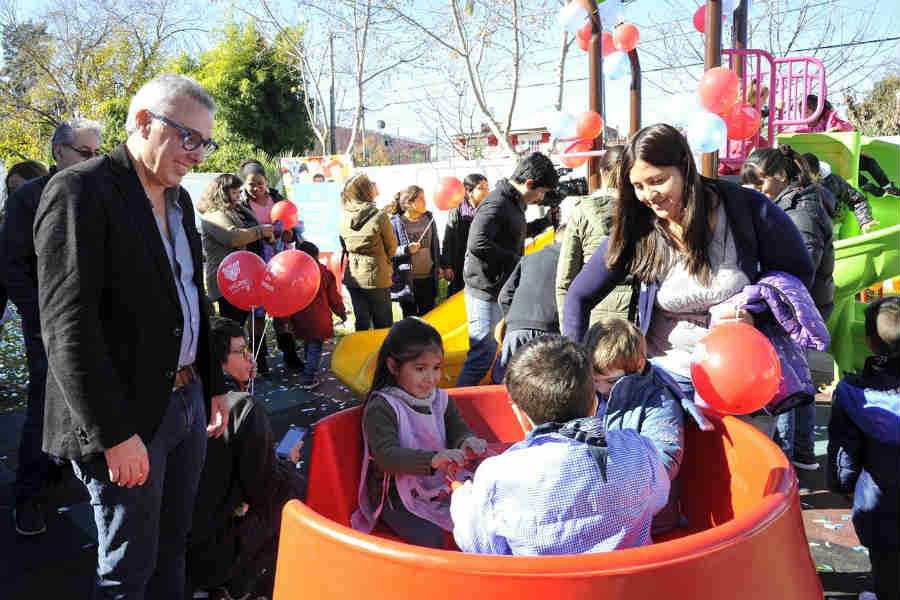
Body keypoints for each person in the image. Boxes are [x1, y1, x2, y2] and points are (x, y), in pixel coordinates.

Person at [33, 73, 228, 599]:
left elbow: (192, 299)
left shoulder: (182, 200)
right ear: (143, 122)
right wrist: (113, 434)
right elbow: (67, 327)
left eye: (206, 143)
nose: (198, 155)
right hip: (125, 418)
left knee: (173, 547)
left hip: (186, 403)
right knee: (127, 568)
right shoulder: (79, 190)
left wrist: (211, 387)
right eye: (189, 138)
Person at [563, 124, 814, 437]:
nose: (647, 195)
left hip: (739, 375)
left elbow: (799, 274)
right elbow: (578, 295)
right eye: (638, 185)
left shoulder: (748, 210)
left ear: (684, 166)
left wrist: (756, 310)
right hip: (666, 377)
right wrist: (577, 370)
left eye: (657, 180)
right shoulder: (638, 225)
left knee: (741, 470)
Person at [451, 334, 670, 555]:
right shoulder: (637, 448)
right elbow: (658, 500)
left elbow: (480, 546)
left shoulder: (496, 475)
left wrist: (463, 498)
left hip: (541, 589)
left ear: (521, 414)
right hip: (631, 586)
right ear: (594, 400)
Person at [2, 118, 103, 536]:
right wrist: (41, 318)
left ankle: (72, 472)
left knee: (93, 401)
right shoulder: (29, 199)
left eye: (99, 154)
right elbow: (11, 266)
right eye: (85, 153)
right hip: (49, 325)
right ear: (58, 152)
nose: (94, 162)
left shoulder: (101, 192)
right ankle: (27, 496)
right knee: (44, 406)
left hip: (95, 320)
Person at [187, 316, 305, 600]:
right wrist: (287, 462)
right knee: (292, 494)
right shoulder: (242, 409)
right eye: (241, 351)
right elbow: (266, 489)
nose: (250, 358)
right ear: (219, 362)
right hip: (214, 551)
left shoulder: (179, 402)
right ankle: (242, 587)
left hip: (171, 549)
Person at [351, 317, 487, 548]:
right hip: (396, 497)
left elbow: (457, 427)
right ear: (393, 367)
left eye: (436, 368)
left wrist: (467, 440)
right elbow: (387, 457)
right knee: (432, 539)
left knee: (483, 510)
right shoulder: (383, 407)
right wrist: (433, 459)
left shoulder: (440, 399)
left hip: (436, 482)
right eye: (420, 369)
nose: (431, 378)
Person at [741, 146, 834, 467]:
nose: (754, 191)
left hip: (797, 310)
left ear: (780, 176)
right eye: (749, 185)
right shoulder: (788, 205)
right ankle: (799, 453)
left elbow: (800, 273)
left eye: (759, 182)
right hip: (796, 307)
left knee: (792, 380)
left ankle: (793, 455)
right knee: (798, 376)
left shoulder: (801, 212)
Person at [456, 153, 558, 387]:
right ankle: (456, 408)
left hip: (499, 288)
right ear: (529, 184)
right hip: (485, 289)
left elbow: (512, 235)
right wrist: (517, 261)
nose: (541, 197)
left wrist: (544, 224)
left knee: (496, 351)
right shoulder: (497, 202)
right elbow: (477, 243)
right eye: (541, 192)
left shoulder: (513, 203)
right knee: (482, 354)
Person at [582, 317, 685, 534]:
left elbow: (664, 461)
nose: (599, 388)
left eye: (610, 381)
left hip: (647, 521)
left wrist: (608, 485)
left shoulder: (660, 402)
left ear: (638, 366)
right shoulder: (593, 393)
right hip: (606, 514)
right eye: (594, 380)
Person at [827, 296, 899, 600]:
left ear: (869, 341)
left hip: (879, 497)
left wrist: (842, 483)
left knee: (885, 561)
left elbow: (845, 449)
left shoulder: (852, 393)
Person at [555, 145, 634, 327]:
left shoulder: (582, 211)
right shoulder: (646, 211)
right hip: (638, 316)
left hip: (593, 318)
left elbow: (565, 278)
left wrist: (568, 328)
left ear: (602, 172)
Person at [237, 160, 299, 374]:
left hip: (281, 261)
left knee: (283, 310)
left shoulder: (278, 198)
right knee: (258, 314)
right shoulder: (241, 204)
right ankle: (259, 359)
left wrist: (291, 233)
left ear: (266, 181)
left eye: (260, 183)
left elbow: (293, 223)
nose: (256, 188)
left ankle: (290, 355)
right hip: (256, 263)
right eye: (251, 184)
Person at [198, 173, 275, 325]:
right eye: (234, 193)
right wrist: (261, 231)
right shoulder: (213, 215)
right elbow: (233, 237)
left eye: (239, 193)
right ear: (222, 193)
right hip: (227, 282)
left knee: (241, 326)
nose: (238, 197)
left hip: (240, 279)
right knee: (232, 327)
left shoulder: (234, 210)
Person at [491, 226, 564, 384]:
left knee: (502, 383)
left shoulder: (528, 258)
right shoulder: (571, 261)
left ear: (553, 240)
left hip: (515, 329)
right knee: (543, 386)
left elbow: (504, 296)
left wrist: (512, 319)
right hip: (551, 329)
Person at [788, 94, 898, 197]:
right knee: (851, 173)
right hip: (828, 163)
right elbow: (794, 133)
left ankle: (888, 187)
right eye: (801, 114)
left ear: (817, 111)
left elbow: (850, 128)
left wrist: (837, 129)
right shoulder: (805, 128)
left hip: (844, 156)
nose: (804, 117)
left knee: (869, 162)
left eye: (807, 112)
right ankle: (870, 187)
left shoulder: (829, 120)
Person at [339, 173, 398, 331]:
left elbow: (343, 245)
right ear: (365, 190)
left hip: (353, 276)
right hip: (377, 277)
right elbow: (392, 247)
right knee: (383, 324)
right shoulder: (380, 216)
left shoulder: (343, 216)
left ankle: (362, 355)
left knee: (362, 323)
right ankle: (383, 355)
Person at [289, 241, 347, 390]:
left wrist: (284, 319)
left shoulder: (292, 273)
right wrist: (341, 313)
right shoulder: (325, 273)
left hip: (300, 318)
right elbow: (334, 298)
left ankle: (308, 371)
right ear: (316, 255)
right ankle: (308, 378)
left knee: (309, 345)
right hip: (318, 319)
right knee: (315, 348)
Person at [389, 185, 441, 318]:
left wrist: (440, 265)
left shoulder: (429, 219)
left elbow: (435, 246)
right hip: (408, 281)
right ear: (409, 203)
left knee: (429, 317)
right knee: (410, 319)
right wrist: (405, 250)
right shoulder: (396, 223)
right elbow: (389, 251)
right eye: (421, 199)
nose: (425, 202)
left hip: (428, 278)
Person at [801, 152, 879, 234]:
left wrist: (865, 220)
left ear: (819, 174)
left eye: (809, 179)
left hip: (830, 223)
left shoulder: (833, 182)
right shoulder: (793, 182)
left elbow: (858, 200)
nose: (803, 182)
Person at [440, 173, 488, 296]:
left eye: (487, 187)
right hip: (460, 264)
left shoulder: (488, 209)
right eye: (481, 188)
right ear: (468, 191)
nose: (487, 191)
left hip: (481, 265)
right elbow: (448, 238)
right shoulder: (457, 210)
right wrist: (447, 265)